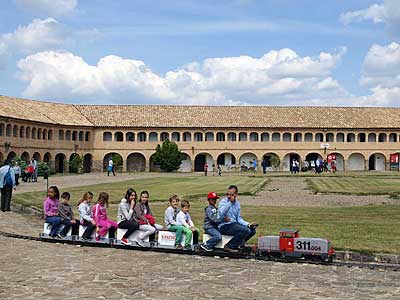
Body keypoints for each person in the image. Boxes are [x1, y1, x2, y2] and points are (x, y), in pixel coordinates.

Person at [218, 185, 257, 253]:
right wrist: (230, 203)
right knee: (245, 230)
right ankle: (229, 246)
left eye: (231, 194)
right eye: (227, 194)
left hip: (234, 224)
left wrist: (248, 224)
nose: (229, 196)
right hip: (224, 225)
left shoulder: (237, 204)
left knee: (252, 230)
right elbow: (221, 214)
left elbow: (238, 218)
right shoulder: (223, 202)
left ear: (236, 194)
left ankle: (240, 244)